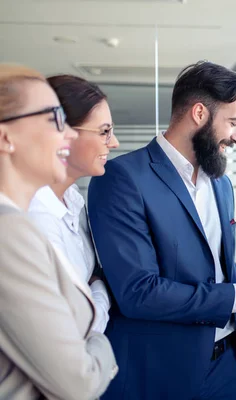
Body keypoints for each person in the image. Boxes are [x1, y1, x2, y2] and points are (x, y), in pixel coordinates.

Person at [87, 60, 236, 399]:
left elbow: (212, 271)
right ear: (199, 114)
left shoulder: (219, 184)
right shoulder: (122, 179)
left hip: (227, 367)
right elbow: (137, 292)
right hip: (161, 373)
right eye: (233, 122)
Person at [0, 64, 117, 399]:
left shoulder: (67, 205)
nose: (67, 134)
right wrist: (100, 335)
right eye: (54, 120)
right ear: (6, 137)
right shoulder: (11, 233)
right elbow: (77, 382)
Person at [28, 75, 119, 333]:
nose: (113, 143)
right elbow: (82, 326)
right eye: (104, 132)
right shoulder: (36, 215)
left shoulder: (73, 200)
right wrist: (100, 287)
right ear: (63, 134)